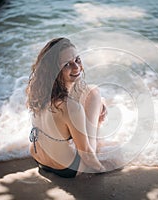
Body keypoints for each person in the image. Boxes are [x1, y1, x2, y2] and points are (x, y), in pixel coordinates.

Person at [26, 37, 107, 178]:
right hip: (67, 168)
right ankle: (97, 124)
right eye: (66, 65)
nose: (76, 67)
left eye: (77, 60)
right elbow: (87, 157)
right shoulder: (70, 107)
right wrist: (103, 171)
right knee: (94, 93)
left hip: (38, 157)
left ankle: (96, 112)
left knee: (90, 95)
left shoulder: (34, 87)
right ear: (54, 71)